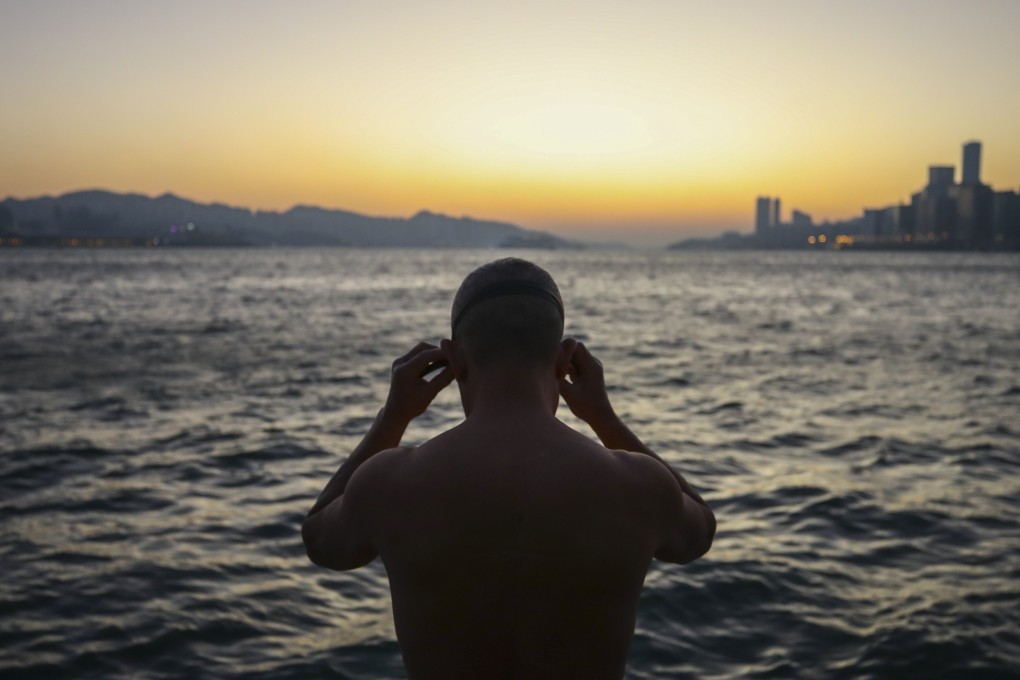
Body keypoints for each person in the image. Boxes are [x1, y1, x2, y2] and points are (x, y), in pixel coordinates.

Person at [302, 258, 715, 680]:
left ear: (453, 360)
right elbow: (699, 533)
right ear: (565, 359)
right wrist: (604, 418)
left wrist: (393, 417)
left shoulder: (389, 483)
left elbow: (321, 540)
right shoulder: (637, 485)